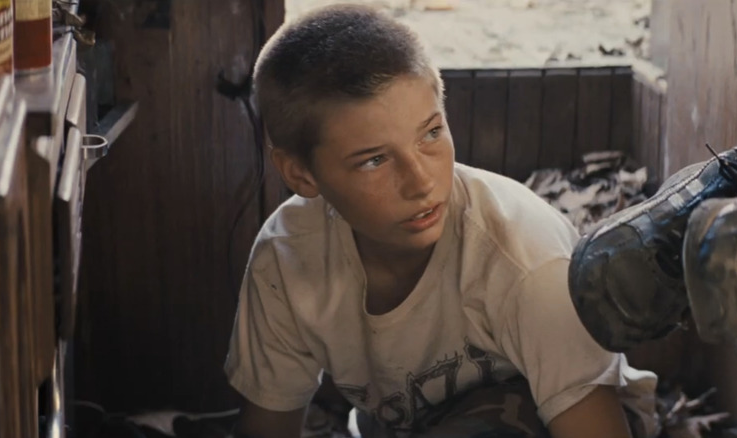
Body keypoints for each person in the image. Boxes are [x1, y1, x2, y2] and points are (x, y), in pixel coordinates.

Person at [224, 4, 658, 438]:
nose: (422, 183)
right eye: (374, 160)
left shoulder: (524, 258)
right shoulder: (288, 257)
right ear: (301, 174)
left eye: (431, 133)